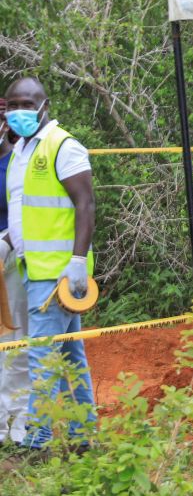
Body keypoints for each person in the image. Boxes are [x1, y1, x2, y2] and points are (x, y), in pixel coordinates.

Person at [2, 77, 97, 450]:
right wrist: (7, 242)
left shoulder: (64, 146)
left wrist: (77, 262)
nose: (18, 111)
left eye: (26, 103)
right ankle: (82, 436)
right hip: (34, 270)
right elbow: (26, 212)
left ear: (45, 106)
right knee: (70, 358)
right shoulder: (21, 151)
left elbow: (85, 204)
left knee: (43, 359)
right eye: (12, 105)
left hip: (57, 274)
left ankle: (37, 441)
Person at [0, 102, 31, 448]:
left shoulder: (17, 162)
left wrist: (6, 241)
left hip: (12, 259)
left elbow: (26, 210)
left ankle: (19, 421)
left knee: (16, 342)